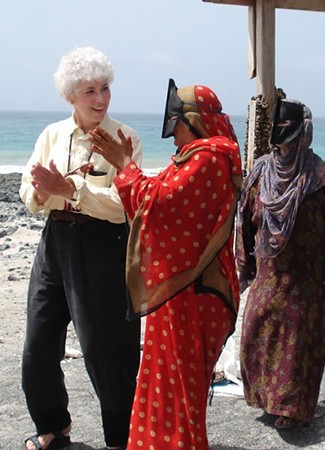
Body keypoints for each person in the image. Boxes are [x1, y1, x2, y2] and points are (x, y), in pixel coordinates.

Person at [90, 79, 242, 450]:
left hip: (194, 291)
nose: (172, 134)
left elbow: (157, 205)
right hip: (183, 289)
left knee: (178, 388)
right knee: (167, 383)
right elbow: (159, 201)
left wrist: (124, 165)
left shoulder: (209, 158)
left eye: (176, 124)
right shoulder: (202, 157)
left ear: (195, 121)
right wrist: (128, 169)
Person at [19, 47, 142, 450]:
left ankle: (122, 441)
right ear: (70, 95)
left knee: (106, 352)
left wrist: (70, 189)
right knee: (38, 345)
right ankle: (53, 428)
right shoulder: (51, 135)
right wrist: (42, 192)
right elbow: (28, 191)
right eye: (89, 91)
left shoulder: (126, 139)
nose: (101, 99)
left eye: (105, 88)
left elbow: (126, 207)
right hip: (55, 242)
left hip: (104, 247)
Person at [236, 97, 325, 429]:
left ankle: (291, 410)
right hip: (270, 272)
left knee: (298, 342)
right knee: (257, 331)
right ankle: (266, 399)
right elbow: (244, 218)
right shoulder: (261, 172)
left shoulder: (319, 176)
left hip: (307, 277)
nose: (284, 146)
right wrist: (245, 265)